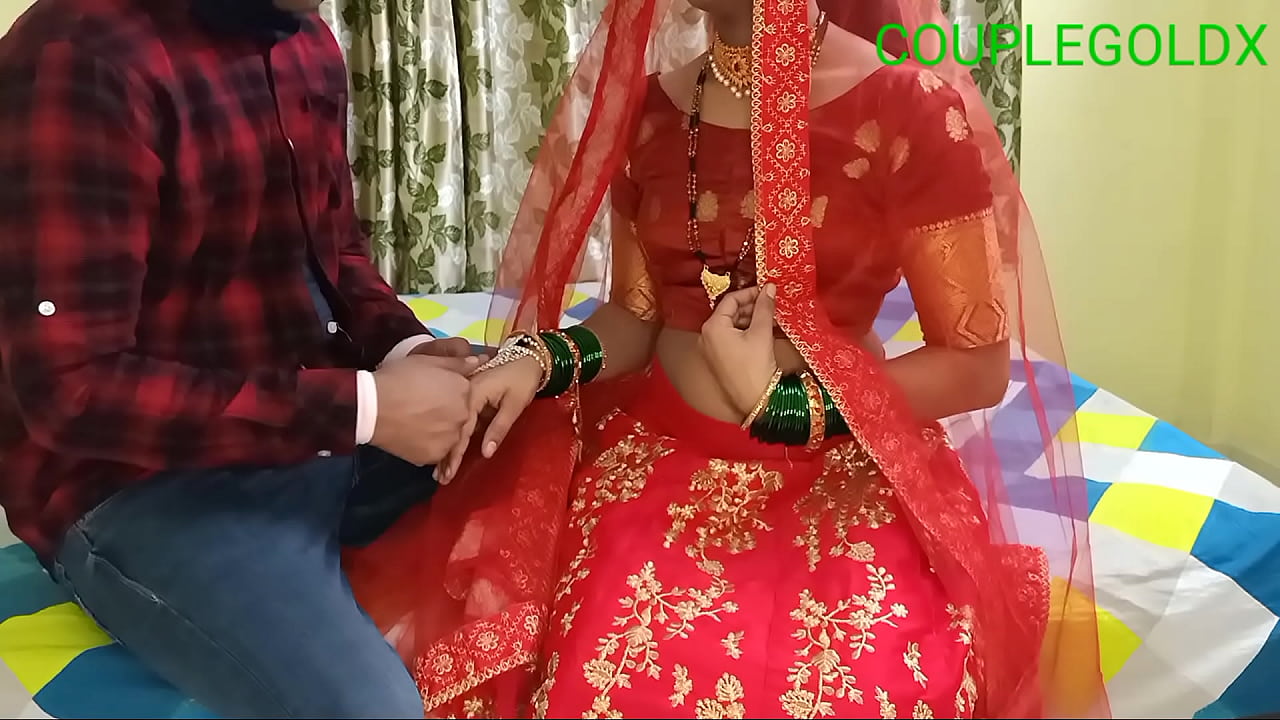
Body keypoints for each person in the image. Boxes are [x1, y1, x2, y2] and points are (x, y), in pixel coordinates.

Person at [345, 0, 1111, 718]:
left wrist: (790, 409)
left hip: (838, 464)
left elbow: (976, 365)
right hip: (658, 454)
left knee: (863, 684)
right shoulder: (652, 109)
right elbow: (637, 316)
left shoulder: (909, 108)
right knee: (599, 670)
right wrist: (540, 360)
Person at [0, 0, 478, 716]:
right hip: (145, 483)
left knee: (569, 447)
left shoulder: (304, 38)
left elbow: (338, 256)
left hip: (327, 433)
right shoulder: (81, 54)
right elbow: (71, 389)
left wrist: (414, 352)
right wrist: (364, 408)